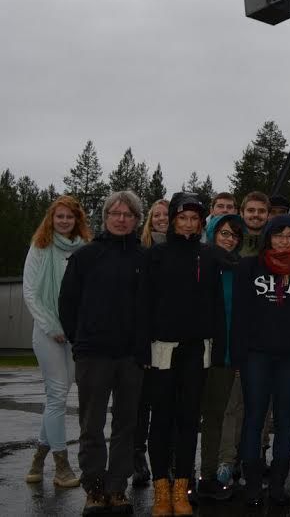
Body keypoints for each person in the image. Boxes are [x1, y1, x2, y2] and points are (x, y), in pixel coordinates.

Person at [58, 190, 146, 515]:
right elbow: (67, 304)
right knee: (91, 425)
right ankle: (94, 489)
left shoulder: (145, 259)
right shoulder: (85, 257)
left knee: (126, 425)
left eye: (128, 214)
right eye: (115, 213)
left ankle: (117, 488)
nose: (121, 219)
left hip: (131, 357)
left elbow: (152, 308)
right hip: (93, 355)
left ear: (137, 220)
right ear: (106, 217)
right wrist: (80, 342)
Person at [141, 192, 226, 517]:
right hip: (162, 348)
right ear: (173, 220)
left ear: (201, 222)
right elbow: (144, 302)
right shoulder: (156, 255)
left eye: (194, 219)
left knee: (189, 420)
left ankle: (181, 489)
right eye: (183, 218)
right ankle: (161, 488)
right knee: (161, 419)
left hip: (197, 349)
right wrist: (142, 346)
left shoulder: (208, 255)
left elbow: (216, 304)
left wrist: (218, 346)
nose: (188, 224)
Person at [232, 215, 290, 507]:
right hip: (256, 354)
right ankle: (253, 484)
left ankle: (278, 484)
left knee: (285, 419)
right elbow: (239, 313)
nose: (283, 241)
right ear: (268, 237)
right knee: (254, 418)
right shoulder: (249, 266)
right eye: (278, 235)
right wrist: (238, 354)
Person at [23, 195, 91, 490]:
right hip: (47, 332)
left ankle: (37, 460)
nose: (64, 221)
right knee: (58, 395)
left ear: (78, 220)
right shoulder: (40, 246)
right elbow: (30, 292)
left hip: (75, 333)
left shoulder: (85, 249)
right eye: (59, 216)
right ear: (51, 219)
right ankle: (61, 467)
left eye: (70, 217)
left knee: (58, 397)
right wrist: (52, 326)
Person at [196, 213, 246, 502]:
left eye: (234, 235)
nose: (229, 239)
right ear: (213, 233)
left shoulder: (240, 268)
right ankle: (194, 476)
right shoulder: (201, 262)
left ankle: (212, 475)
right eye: (224, 233)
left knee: (220, 415)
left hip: (227, 353)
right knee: (200, 417)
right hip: (199, 350)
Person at [135, 197, 170, 487]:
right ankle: (137, 457)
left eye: (166, 214)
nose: (161, 218)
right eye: (156, 215)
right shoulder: (140, 251)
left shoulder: (182, 250)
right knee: (140, 404)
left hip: (171, 339)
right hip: (145, 337)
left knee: (165, 405)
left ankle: (165, 459)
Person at [239, 191, 271, 257]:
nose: (256, 215)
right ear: (242, 213)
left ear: (268, 215)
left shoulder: (275, 244)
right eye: (251, 210)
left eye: (262, 211)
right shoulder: (230, 242)